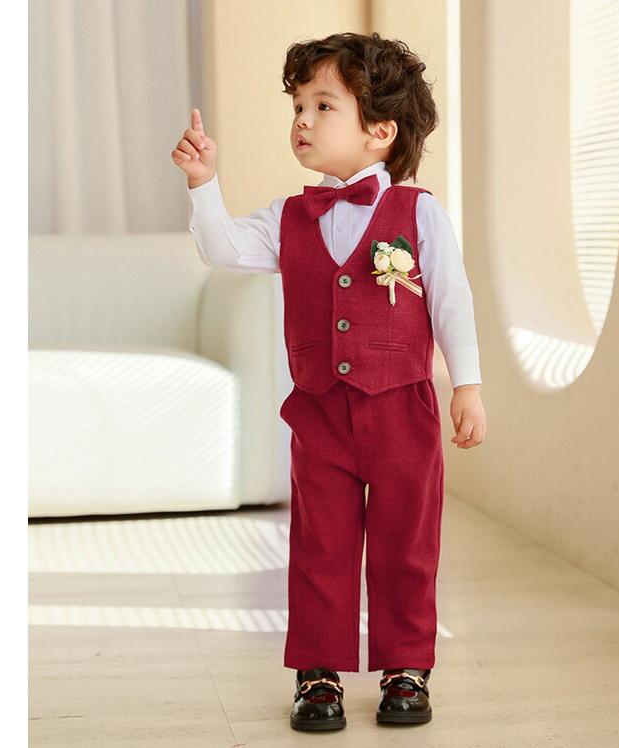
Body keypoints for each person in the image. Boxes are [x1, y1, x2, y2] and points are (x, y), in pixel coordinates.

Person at [172, 31, 486, 731]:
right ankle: (317, 673)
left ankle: (406, 665)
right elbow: (222, 248)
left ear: (380, 130)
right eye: (297, 106)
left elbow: (451, 300)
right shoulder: (288, 218)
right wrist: (203, 184)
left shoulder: (420, 214)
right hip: (319, 414)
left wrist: (467, 384)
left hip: (402, 410)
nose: (302, 121)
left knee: (406, 543)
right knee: (321, 548)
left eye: (322, 105)